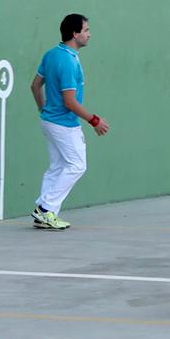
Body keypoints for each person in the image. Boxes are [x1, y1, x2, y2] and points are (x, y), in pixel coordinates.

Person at [29, 14, 109, 230]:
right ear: (75, 34)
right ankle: (46, 209)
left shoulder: (52, 54)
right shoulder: (68, 61)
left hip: (49, 121)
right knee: (77, 165)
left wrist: (42, 108)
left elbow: (35, 86)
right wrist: (94, 120)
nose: (89, 34)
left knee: (58, 166)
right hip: (64, 124)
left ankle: (43, 211)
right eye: (86, 30)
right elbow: (70, 101)